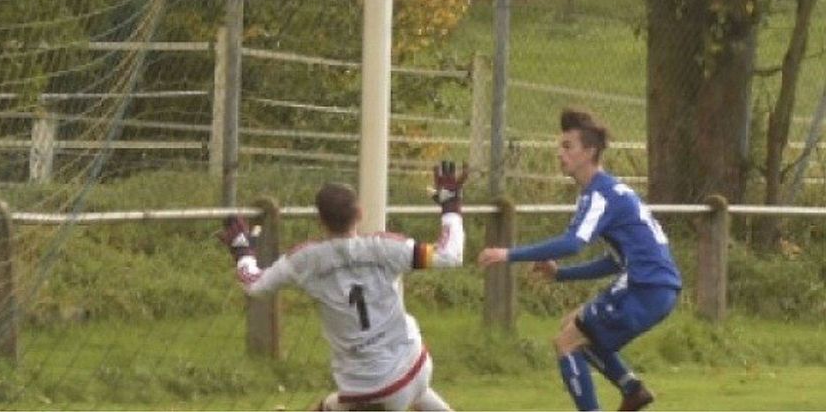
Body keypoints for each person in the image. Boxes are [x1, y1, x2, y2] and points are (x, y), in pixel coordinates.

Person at [219, 161, 469, 411]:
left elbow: (254, 284)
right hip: (416, 365)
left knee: (341, 404)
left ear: (320, 221)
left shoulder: (306, 260)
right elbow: (450, 254)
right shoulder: (385, 247)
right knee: (337, 404)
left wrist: (243, 250)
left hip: (371, 391)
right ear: (360, 212)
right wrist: (450, 204)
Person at [478, 108, 681, 411]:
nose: (559, 153)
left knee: (566, 343)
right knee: (572, 325)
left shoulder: (600, 195)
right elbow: (613, 261)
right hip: (657, 288)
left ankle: (623, 392)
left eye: (567, 146)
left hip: (644, 287)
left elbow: (572, 243)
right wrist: (560, 275)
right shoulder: (609, 191)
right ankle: (631, 389)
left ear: (589, 151)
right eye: (559, 146)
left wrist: (507, 254)